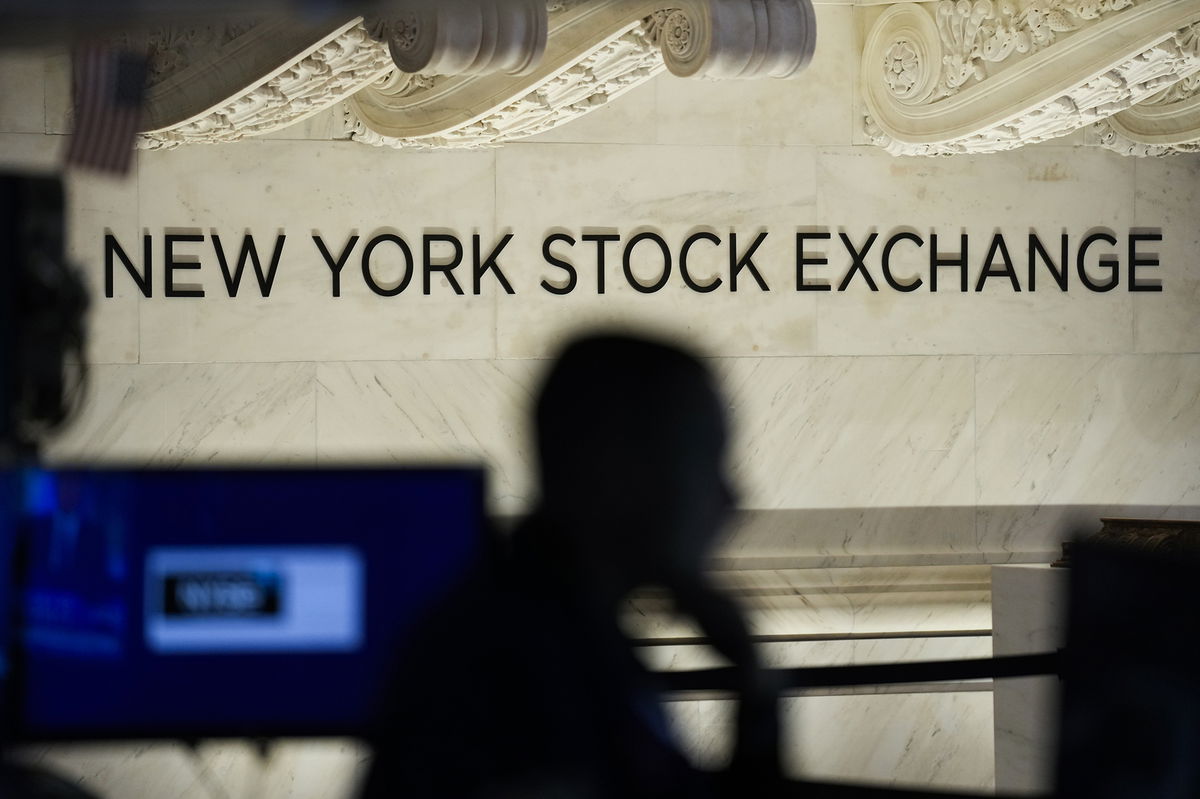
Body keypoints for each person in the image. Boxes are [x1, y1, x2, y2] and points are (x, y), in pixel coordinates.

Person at [362, 332, 781, 799]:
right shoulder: (515, 673)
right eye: (706, 458)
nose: (733, 498)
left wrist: (756, 692)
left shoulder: (570, 636)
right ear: (617, 471)